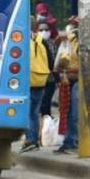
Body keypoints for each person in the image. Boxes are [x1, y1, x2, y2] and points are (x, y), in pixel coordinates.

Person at [21, 21, 53, 153]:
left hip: (27, 80)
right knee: (35, 112)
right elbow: (51, 60)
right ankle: (35, 140)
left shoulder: (21, 39)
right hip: (40, 80)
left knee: (28, 112)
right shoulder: (42, 40)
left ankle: (30, 140)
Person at [54, 22, 80, 154]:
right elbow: (59, 62)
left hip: (79, 81)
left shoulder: (84, 44)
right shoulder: (67, 43)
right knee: (66, 111)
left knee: (75, 113)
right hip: (66, 81)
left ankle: (74, 141)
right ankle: (68, 141)